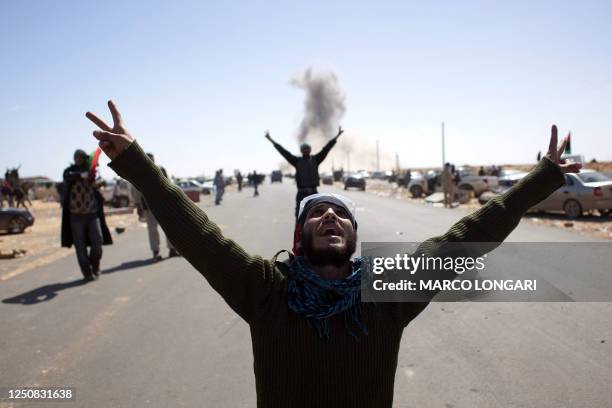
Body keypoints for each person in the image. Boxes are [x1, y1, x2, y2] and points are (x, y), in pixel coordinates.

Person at [87, 101, 579, 408]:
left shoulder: (386, 291)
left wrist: (540, 179)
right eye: (317, 214)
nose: (329, 218)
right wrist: (135, 162)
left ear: (354, 237)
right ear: (299, 237)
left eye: (340, 215)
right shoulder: (266, 288)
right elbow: (198, 235)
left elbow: (468, 235)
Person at [265, 127, 343, 218]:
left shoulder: (315, 159)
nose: (306, 150)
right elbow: (283, 152)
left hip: (314, 192)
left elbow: (326, 149)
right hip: (302, 194)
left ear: (310, 150)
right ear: (301, 151)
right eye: (304, 149)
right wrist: (271, 140)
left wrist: (337, 135)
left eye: (307, 148)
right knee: (300, 215)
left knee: (317, 214)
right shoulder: (297, 161)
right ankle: (298, 232)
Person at [61, 149, 112, 280]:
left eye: (82, 157)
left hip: (92, 214)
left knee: (98, 242)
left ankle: (95, 265)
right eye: (78, 157)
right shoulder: (70, 171)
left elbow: (96, 183)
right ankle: (87, 272)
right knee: (80, 246)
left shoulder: (91, 172)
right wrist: (80, 175)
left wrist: (100, 182)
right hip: (75, 215)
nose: (80, 159)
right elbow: (67, 176)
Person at [133, 153, 178, 261]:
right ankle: (155, 252)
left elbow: (169, 185)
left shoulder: (160, 169)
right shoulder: (139, 172)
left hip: (164, 204)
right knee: (152, 230)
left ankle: (172, 250)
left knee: (169, 228)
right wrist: (138, 205)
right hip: (149, 207)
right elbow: (136, 190)